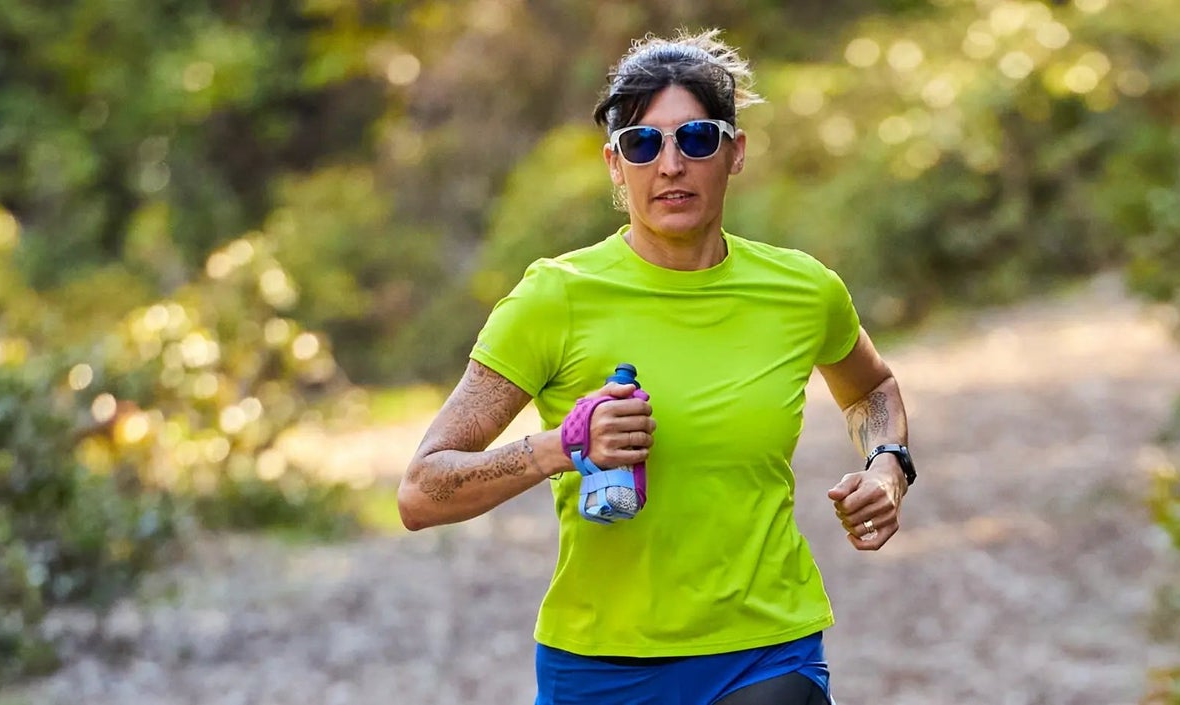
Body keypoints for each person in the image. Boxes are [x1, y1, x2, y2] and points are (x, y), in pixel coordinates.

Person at [393, 30, 917, 705]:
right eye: (643, 144)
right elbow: (421, 490)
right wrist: (561, 446)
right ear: (616, 165)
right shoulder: (555, 297)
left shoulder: (803, 290)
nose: (671, 164)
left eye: (696, 138)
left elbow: (871, 386)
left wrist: (887, 464)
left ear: (735, 152)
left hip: (764, 648)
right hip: (601, 665)